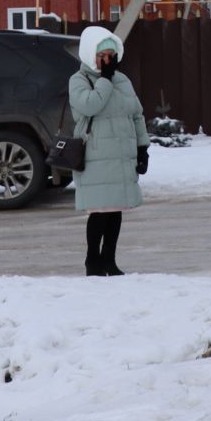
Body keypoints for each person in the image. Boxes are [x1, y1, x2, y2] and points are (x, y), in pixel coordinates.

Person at [68, 26, 150, 277]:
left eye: (111, 55)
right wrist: (104, 78)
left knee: (115, 210)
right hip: (96, 155)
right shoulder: (79, 80)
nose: (107, 60)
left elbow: (136, 114)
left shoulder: (122, 80)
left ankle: (109, 260)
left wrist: (142, 147)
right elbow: (90, 105)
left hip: (121, 155)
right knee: (99, 212)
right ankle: (92, 260)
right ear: (89, 53)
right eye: (101, 54)